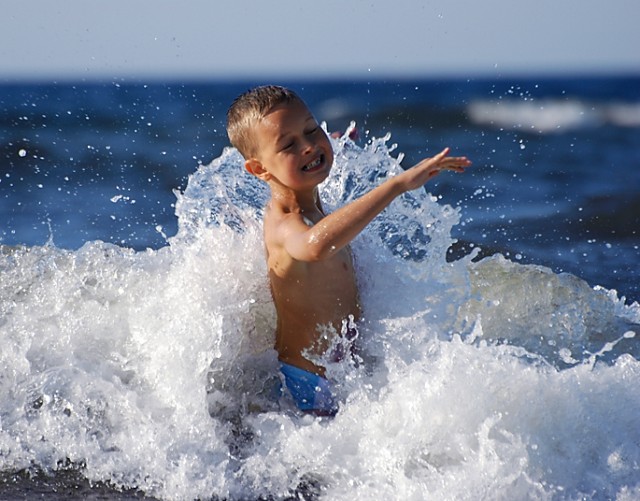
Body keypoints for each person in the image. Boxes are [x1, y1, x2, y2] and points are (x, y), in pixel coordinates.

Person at [226, 85, 471, 415]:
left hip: (340, 375)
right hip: (307, 384)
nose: (310, 146)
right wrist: (395, 185)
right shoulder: (287, 223)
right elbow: (316, 245)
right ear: (260, 169)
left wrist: (340, 147)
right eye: (289, 145)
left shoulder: (309, 201)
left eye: (312, 131)